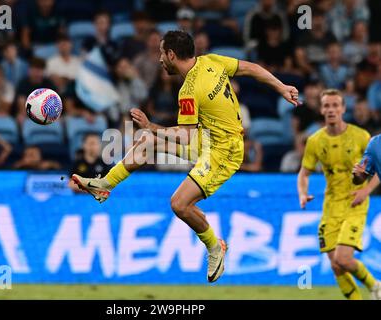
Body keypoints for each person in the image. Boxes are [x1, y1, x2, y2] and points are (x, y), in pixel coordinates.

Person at [72, 30, 299, 283]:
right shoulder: (211, 60)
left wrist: (150, 125)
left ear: (171, 54)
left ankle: (215, 247)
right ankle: (105, 185)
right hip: (209, 139)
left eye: (161, 53)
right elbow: (251, 68)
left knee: (179, 204)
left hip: (224, 151)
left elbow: (185, 136)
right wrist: (281, 86)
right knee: (146, 143)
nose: (159, 59)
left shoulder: (189, 90)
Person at [297, 89, 381, 300]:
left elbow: (379, 168)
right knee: (336, 266)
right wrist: (302, 193)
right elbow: (304, 173)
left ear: (343, 108)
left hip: (355, 203)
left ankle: (375, 286)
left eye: (335, 105)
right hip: (331, 205)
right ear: (321, 109)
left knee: (343, 259)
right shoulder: (315, 141)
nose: (331, 109)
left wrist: (365, 189)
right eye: (327, 105)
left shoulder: (362, 137)